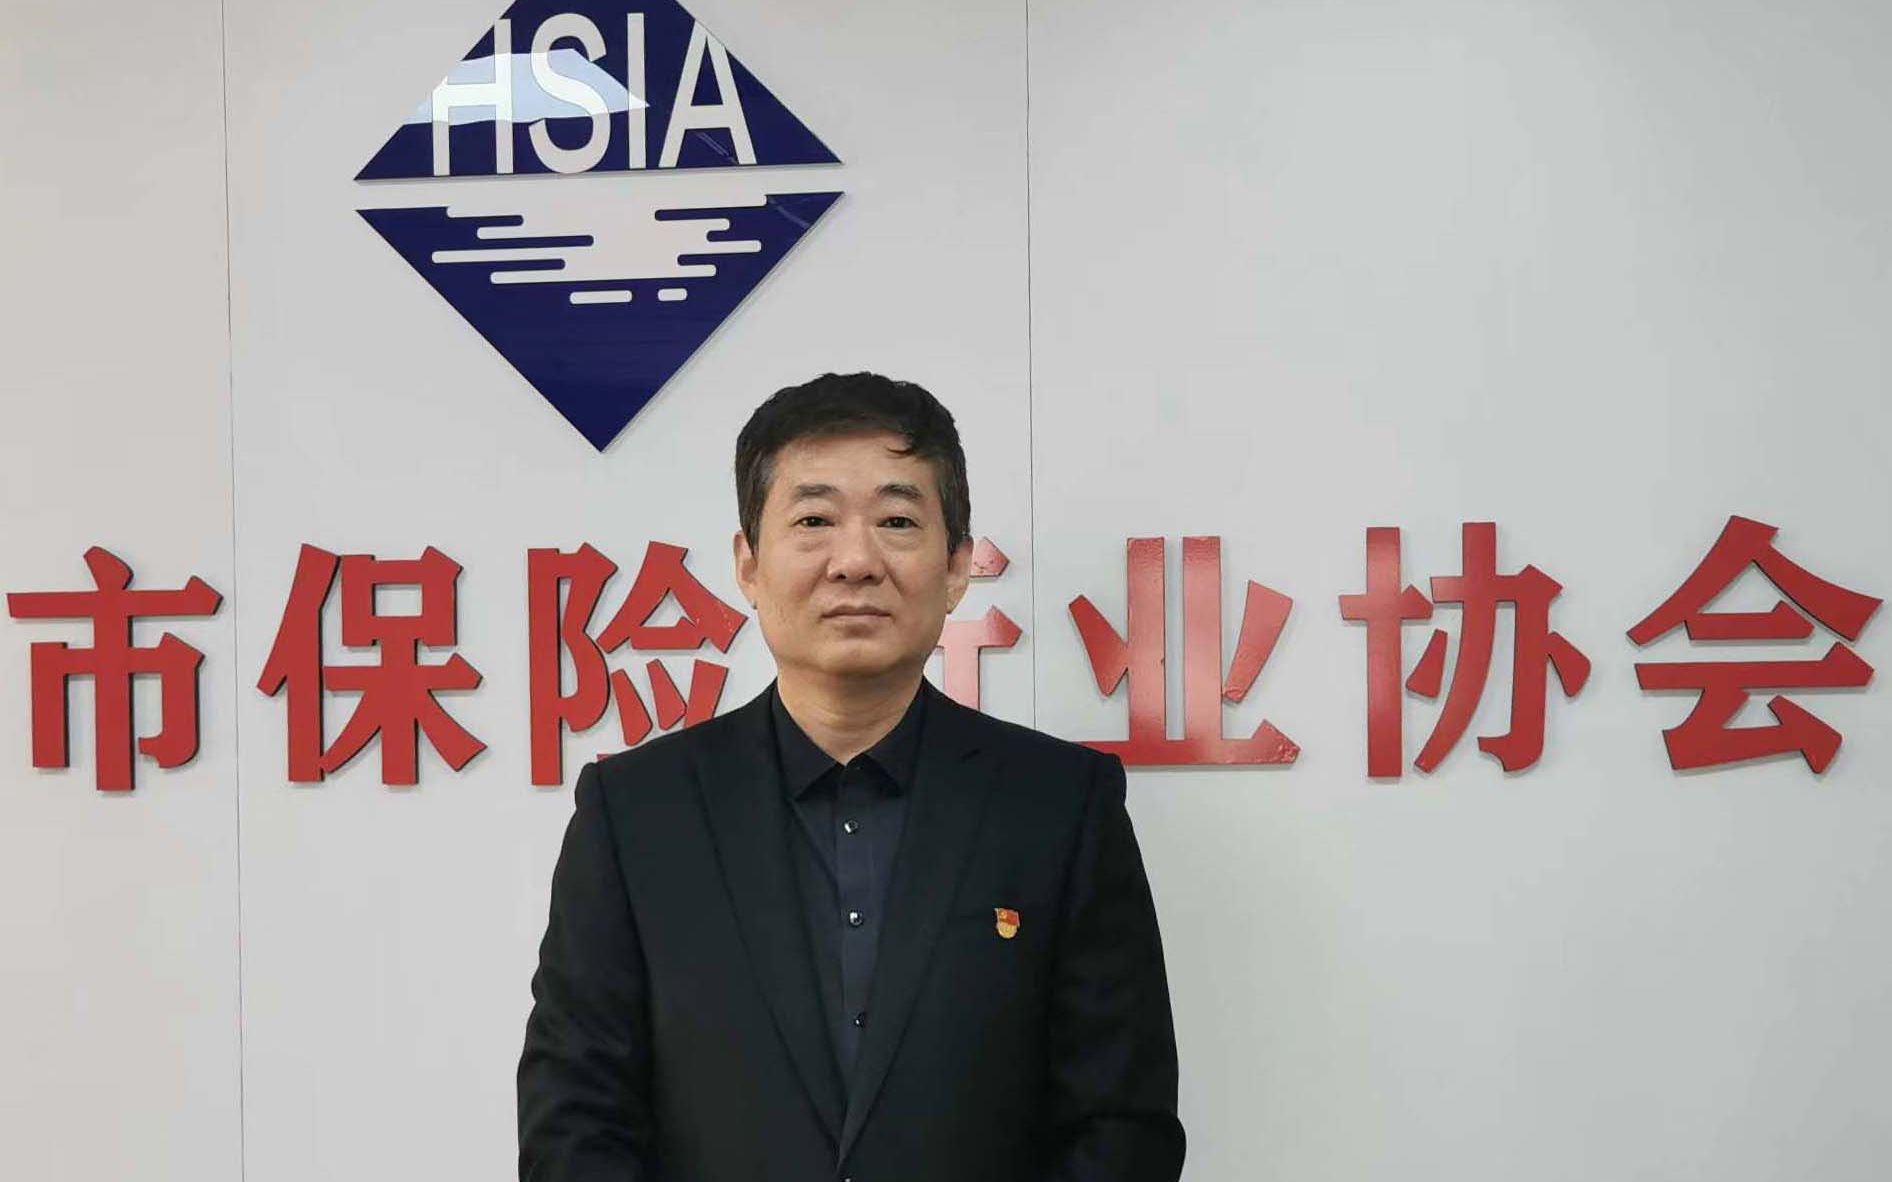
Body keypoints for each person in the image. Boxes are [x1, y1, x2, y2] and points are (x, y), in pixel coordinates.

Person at [517, 372, 1185, 1182]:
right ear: (748, 565)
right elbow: (574, 1120)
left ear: (958, 566)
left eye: (898, 521)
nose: (856, 561)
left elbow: (1121, 1126)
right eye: (814, 520)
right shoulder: (636, 814)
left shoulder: (1060, 806)